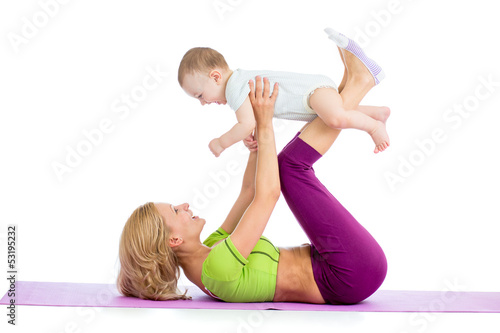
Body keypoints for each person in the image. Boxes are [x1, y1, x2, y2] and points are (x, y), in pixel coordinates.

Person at [117, 45, 387, 304]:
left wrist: (255, 148)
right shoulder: (216, 268)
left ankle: (355, 87)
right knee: (290, 169)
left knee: (288, 167)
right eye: (176, 211)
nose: (184, 205)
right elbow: (267, 196)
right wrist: (264, 121)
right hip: (348, 275)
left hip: (336, 264)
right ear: (173, 240)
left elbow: (249, 193)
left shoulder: (211, 248)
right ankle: (358, 85)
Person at [178, 27, 390, 155]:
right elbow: (250, 121)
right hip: (313, 98)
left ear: (215, 77)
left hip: (311, 94)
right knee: (335, 112)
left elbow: (246, 123)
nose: (203, 103)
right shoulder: (239, 83)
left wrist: (221, 142)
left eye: (200, 96)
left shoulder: (234, 87)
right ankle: (377, 113)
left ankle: (373, 127)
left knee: (335, 119)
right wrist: (247, 134)